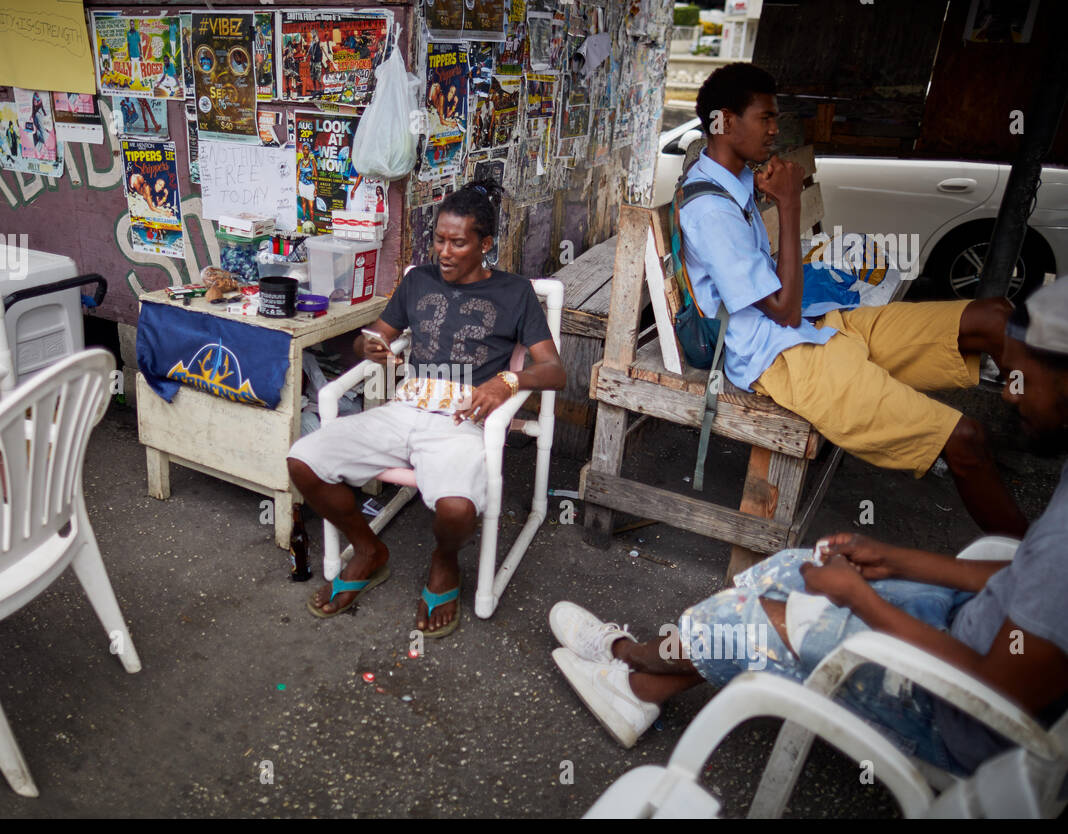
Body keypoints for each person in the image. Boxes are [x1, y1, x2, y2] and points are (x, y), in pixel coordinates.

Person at [549, 276, 1068, 768]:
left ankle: (628, 663)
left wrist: (859, 598)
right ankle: (640, 685)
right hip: (966, 623)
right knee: (797, 568)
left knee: (742, 623)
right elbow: (1022, 575)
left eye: (1024, 378)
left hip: (956, 716)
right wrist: (896, 559)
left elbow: (999, 692)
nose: (1009, 393)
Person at [681, 62, 1026, 537]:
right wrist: (789, 201)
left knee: (994, 317)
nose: (776, 129)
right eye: (766, 118)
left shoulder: (733, 179)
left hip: (819, 324)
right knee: (965, 438)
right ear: (723, 122)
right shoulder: (709, 207)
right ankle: (1033, 577)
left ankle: (1036, 414)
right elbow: (781, 308)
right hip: (780, 357)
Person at [288, 180, 566, 637]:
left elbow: (554, 370)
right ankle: (368, 549)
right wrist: (371, 345)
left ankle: (444, 561)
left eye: (459, 242)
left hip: (462, 419)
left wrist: (508, 379)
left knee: (456, 510)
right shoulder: (418, 280)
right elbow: (372, 337)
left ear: (485, 244)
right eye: (439, 239)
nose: (445, 251)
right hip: (405, 406)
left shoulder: (515, 293)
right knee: (304, 461)